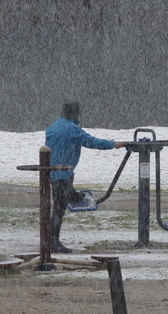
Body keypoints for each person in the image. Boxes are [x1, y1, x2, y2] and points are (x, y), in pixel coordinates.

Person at [45, 102, 124, 253]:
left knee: (62, 197)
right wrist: (113, 144)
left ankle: (74, 196)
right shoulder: (72, 129)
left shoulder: (54, 126)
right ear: (75, 114)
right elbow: (92, 142)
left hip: (53, 169)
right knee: (59, 209)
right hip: (63, 171)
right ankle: (52, 242)